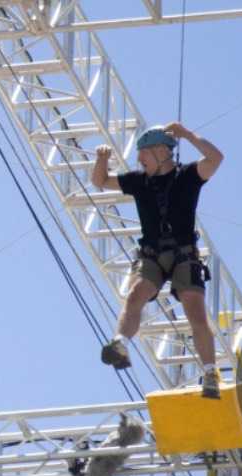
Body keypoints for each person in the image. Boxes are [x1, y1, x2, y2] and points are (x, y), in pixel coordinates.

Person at [92, 123, 224, 398]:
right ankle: (119, 343)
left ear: (162, 151)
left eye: (144, 154)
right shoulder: (140, 182)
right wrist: (101, 160)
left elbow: (215, 158)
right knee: (135, 294)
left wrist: (188, 135)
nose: (139, 159)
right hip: (152, 254)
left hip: (184, 254)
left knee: (194, 308)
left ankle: (210, 371)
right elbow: (100, 181)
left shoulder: (187, 175)